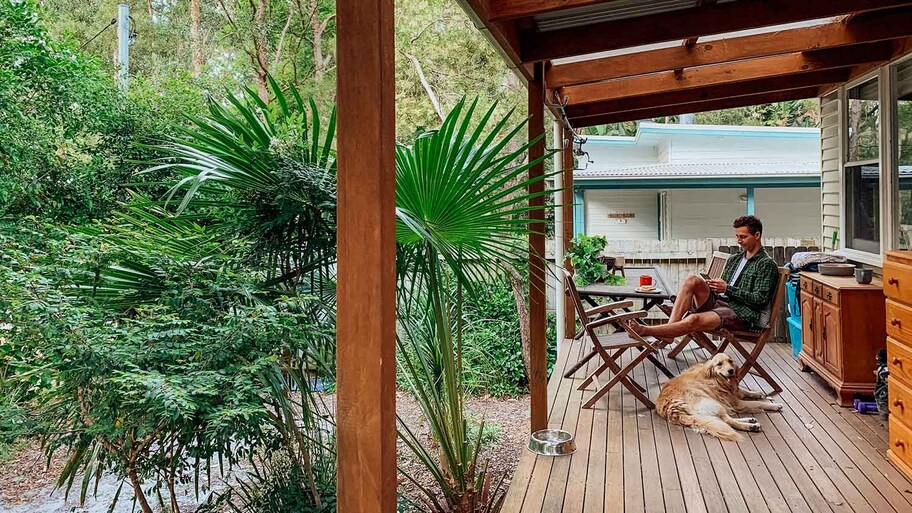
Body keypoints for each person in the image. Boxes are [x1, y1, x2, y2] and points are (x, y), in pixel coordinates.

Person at [628, 215, 780, 341]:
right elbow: (724, 287)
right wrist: (714, 285)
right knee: (692, 279)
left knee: (693, 320)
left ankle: (645, 330)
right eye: (737, 236)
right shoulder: (735, 259)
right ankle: (670, 333)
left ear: (757, 235)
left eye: (743, 237)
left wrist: (728, 288)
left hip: (743, 315)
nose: (739, 241)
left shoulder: (766, 264)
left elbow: (759, 300)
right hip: (722, 302)